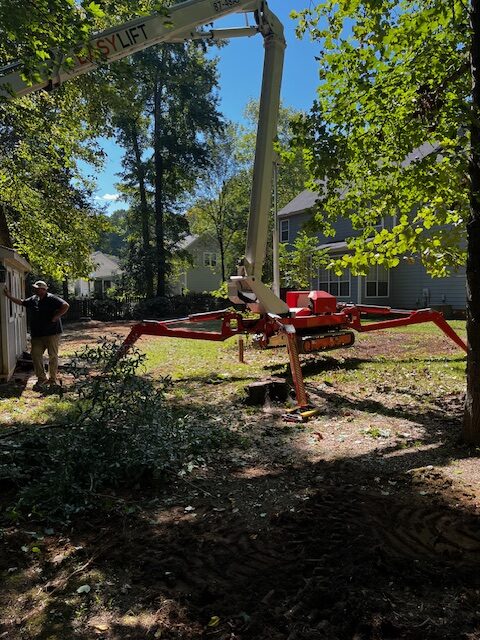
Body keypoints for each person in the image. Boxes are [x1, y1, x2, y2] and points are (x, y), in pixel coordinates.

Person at [3, 280, 70, 390]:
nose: (35, 290)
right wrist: (9, 296)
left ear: (43, 289)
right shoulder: (34, 299)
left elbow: (65, 305)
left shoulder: (52, 298)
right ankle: (41, 378)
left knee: (53, 355)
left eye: (37, 288)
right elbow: (22, 302)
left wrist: (56, 316)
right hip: (37, 334)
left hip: (52, 333)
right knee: (35, 355)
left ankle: (52, 379)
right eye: (35, 288)